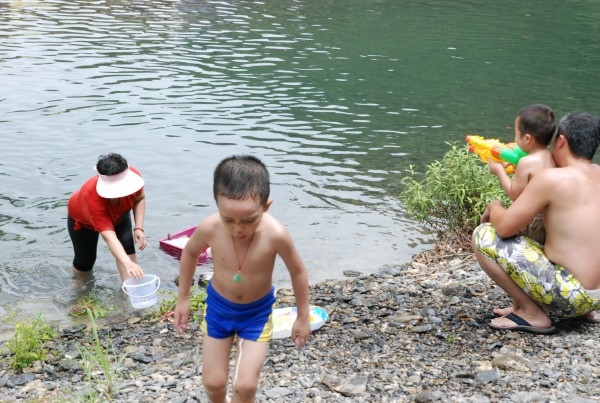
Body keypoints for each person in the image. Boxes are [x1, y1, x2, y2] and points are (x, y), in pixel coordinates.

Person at [173, 155, 311, 403]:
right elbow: (190, 253)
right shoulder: (210, 228)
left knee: (246, 386)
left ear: (266, 207)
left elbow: (298, 271)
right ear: (217, 205)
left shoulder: (275, 235)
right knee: (212, 382)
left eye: (249, 220)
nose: (238, 229)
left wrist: (302, 316)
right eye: (228, 219)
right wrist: (183, 299)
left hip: (256, 314)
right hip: (218, 309)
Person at [472, 111, 600, 334]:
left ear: (561, 141)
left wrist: (494, 206)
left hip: (571, 296)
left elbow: (504, 228)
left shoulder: (552, 179)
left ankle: (531, 313)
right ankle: (584, 311)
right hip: (596, 298)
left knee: (483, 235)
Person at [68, 153, 147, 282]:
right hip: (83, 221)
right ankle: (79, 290)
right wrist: (127, 263)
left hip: (120, 213)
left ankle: (129, 292)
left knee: (128, 249)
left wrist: (139, 228)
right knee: (85, 262)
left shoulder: (133, 175)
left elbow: (140, 198)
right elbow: (110, 239)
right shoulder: (92, 198)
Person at [488, 104, 556, 243]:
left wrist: (499, 170)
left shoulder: (526, 162)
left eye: (516, 134)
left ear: (527, 139)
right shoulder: (550, 157)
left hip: (532, 224)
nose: (515, 139)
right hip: (549, 224)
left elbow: (514, 194)